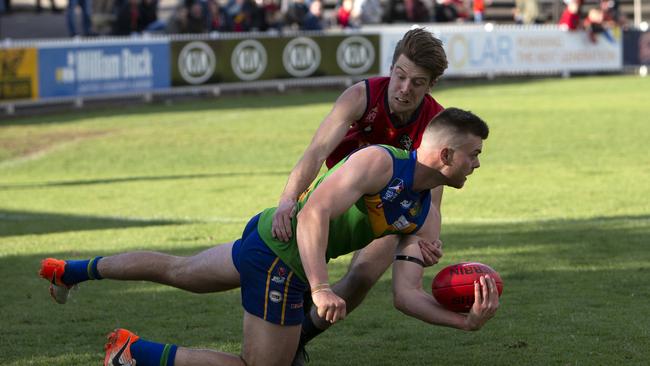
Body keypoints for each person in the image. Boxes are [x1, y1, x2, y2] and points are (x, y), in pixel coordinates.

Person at [40, 107, 499, 366]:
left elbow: (405, 295)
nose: (477, 164)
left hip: (274, 247)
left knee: (178, 270)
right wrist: (320, 287)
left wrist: (465, 321)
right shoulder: (380, 162)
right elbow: (313, 212)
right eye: (474, 155)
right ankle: (131, 353)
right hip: (283, 255)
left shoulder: (425, 210)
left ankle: (68, 272)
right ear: (446, 153)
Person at [269, 27, 447, 365]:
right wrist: (287, 199)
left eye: (418, 83)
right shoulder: (361, 96)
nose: (405, 89)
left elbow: (433, 190)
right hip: (339, 192)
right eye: (400, 76)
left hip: (391, 207)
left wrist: (430, 239)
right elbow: (316, 151)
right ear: (392, 67)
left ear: (430, 86)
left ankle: (299, 339)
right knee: (296, 261)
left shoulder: (435, 123)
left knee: (363, 278)